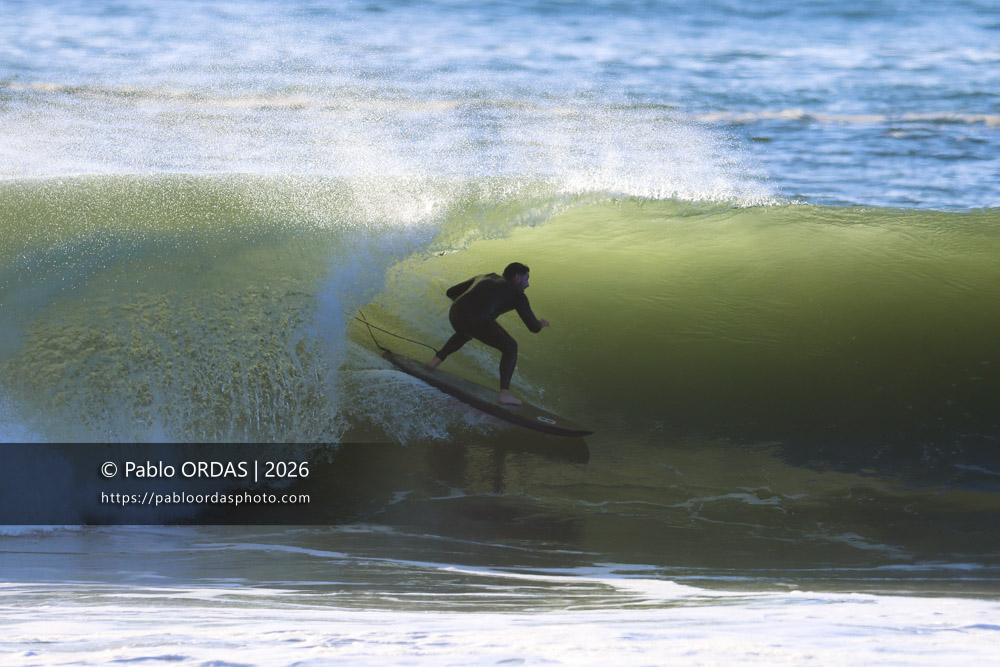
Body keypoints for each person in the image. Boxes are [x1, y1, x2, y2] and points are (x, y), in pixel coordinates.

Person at [427, 262, 550, 405]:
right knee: (510, 347)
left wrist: (468, 306)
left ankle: (433, 362)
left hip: (455, 313)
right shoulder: (518, 295)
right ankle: (504, 394)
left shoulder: (487, 276)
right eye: (526, 279)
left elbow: (451, 292)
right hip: (475, 319)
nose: (527, 284)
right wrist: (540, 322)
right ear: (517, 277)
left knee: (466, 333)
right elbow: (533, 327)